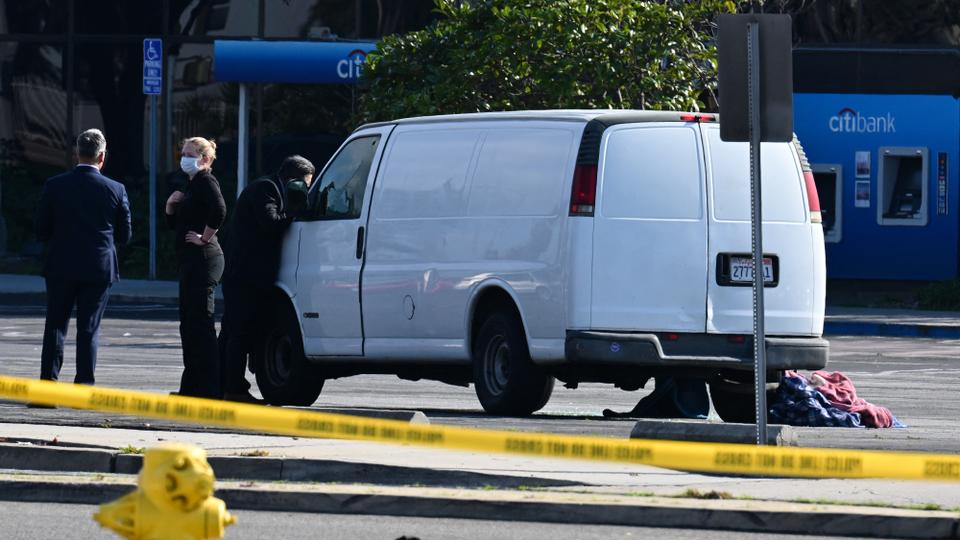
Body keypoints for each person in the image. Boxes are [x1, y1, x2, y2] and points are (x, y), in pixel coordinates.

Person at [34, 128, 131, 403]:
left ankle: (47, 389)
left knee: (55, 325)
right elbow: (125, 235)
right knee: (89, 328)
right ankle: (83, 388)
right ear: (102, 156)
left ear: (77, 152)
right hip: (99, 267)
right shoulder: (116, 189)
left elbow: (40, 229)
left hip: (61, 264)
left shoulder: (55, 185)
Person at [219, 155, 315, 403]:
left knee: (235, 331)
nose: (305, 189)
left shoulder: (270, 188)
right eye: (305, 183)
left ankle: (222, 384)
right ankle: (234, 389)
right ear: (292, 179)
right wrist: (294, 212)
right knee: (240, 332)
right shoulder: (266, 188)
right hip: (245, 275)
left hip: (249, 273)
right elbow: (270, 223)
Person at [166, 137, 227, 399]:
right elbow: (179, 225)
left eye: (191, 154)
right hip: (190, 260)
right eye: (183, 153)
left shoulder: (206, 181)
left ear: (205, 159)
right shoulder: (191, 185)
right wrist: (170, 207)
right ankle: (191, 387)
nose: (185, 158)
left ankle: (211, 388)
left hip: (204, 258)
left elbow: (220, 210)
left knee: (200, 324)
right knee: (189, 325)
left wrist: (205, 236)